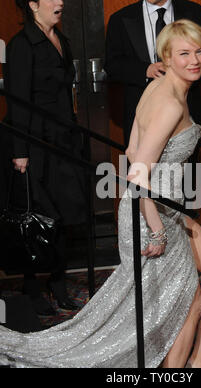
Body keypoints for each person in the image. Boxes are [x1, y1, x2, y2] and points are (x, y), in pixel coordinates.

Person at [0, 19, 201, 368]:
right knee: (191, 303)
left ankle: (199, 359)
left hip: (164, 210)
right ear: (166, 57)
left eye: (200, 51)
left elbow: (130, 150)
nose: (195, 60)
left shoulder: (157, 88)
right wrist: (155, 227)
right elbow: (139, 173)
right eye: (184, 53)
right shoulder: (169, 103)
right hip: (152, 215)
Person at [1, 0, 86, 315]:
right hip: (34, 144)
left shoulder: (61, 39)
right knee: (34, 216)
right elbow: (17, 100)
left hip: (63, 140)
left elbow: (66, 93)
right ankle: (31, 286)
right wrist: (20, 152)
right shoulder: (21, 44)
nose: (60, 2)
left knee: (62, 213)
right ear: (33, 5)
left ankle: (58, 283)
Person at [105, 0, 201, 146]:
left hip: (186, 115)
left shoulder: (195, 12)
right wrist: (145, 70)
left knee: (189, 168)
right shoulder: (120, 18)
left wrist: (181, 72)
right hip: (142, 117)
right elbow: (112, 65)